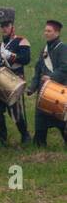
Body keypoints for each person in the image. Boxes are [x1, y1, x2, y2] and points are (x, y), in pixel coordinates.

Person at [0, 7, 32, 145]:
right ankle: (2, 138)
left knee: (15, 112)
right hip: (0, 82)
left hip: (14, 81)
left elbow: (25, 59)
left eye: (6, 25)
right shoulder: (0, 45)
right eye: (2, 26)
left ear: (12, 26)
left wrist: (11, 56)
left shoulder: (21, 41)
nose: (4, 28)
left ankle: (25, 135)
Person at [30, 18, 67, 146]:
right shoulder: (44, 50)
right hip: (44, 92)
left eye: (49, 31)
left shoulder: (63, 48)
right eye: (45, 31)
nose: (46, 33)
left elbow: (64, 67)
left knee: (62, 120)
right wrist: (32, 87)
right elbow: (38, 70)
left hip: (58, 92)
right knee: (40, 120)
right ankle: (40, 144)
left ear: (57, 33)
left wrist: (51, 77)